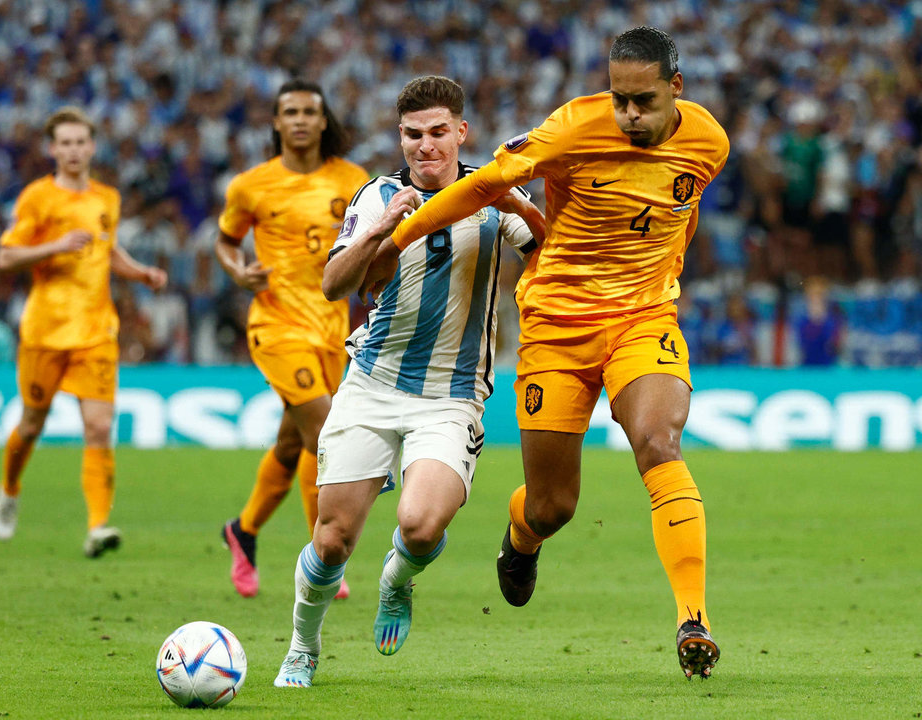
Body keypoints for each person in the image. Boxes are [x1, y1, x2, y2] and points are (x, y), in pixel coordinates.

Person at [384, 28, 730, 680]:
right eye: (619, 99)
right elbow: (486, 184)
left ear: (675, 89)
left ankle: (693, 619)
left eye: (644, 101)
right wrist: (399, 235)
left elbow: (673, 216)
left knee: (659, 442)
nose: (629, 115)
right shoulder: (572, 127)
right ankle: (521, 540)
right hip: (557, 331)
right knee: (552, 506)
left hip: (642, 319)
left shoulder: (709, 142)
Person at [273, 75, 545, 688]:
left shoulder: (491, 193)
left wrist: (521, 209)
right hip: (372, 386)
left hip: (450, 398)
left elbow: (550, 255)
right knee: (333, 540)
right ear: (401, 137)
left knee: (422, 525)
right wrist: (380, 229)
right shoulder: (376, 196)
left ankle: (397, 580)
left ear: (461, 133)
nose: (425, 146)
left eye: (437, 133)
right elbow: (333, 285)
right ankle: (303, 645)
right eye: (412, 135)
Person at [215, 80, 370, 599]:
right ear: (276, 123)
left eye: (310, 111)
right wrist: (237, 272)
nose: (300, 119)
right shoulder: (251, 185)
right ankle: (324, 554)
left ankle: (243, 530)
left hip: (333, 331)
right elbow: (224, 241)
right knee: (323, 431)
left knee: (292, 442)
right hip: (276, 327)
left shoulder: (353, 180)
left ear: (324, 120)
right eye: (290, 112)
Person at [0, 106, 167, 558]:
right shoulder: (37, 198)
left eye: (80, 142)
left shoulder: (106, 198)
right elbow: (6, 257)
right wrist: (55, 245)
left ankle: (97, 526)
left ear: (92, 146)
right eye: (64, 143)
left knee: (99, 427)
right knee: (31, 425)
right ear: (52, 149)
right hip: (44, 331)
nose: (72, 150)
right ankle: (9, 489)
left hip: (96, 332)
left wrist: (140, 272)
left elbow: (107, 251)